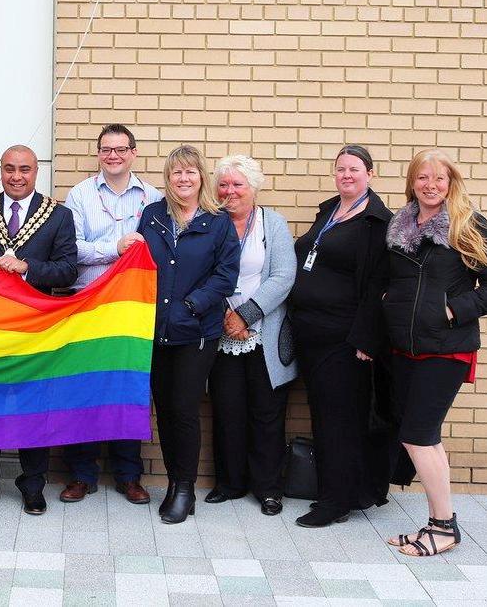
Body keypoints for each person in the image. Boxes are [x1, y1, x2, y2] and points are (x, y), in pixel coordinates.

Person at [0, 145, 77, 515]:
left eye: (24, 169)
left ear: (36, 172)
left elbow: (68, 269)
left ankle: (32, 484)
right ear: (0, 169)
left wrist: (27, 268)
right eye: (9, 168)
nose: (16, 176)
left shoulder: (58, 215)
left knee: (32, 406)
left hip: (35, 326)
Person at [383, 149, 487, 556]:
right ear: (412, 182)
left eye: (439, 179)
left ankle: (444, 528)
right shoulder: (400, 224)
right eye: (422, 178)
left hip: (447, 347)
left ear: (451, 182)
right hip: (406, 346)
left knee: (416, 436)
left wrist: (454, 309)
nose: (430, 185)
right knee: (427, 438)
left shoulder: (467, 224)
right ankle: (438, 522)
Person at [288, 145, 392, 528]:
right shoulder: (329, 209)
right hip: (312, 333)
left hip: (345, 338)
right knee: (323, 413)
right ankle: (333, 489)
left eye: (354, 169)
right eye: (340, 169)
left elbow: (379, 287)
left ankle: (336, 502)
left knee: (340, 420)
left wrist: (366, 339)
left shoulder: (378, 222)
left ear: (370, 173)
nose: (346, 175)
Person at [59, 124, 162, 505]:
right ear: (98, 154)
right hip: (87, 303)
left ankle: (129, 476)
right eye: (106, 149)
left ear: (133, 152)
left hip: (131, 311)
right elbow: (73, 249)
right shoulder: (81, 194)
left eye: (121, 149)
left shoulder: (152, 197)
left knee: (127, 389)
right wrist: (115, 248)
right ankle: (81, 475)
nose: (113, 155)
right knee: (83, 389)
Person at [137, 145, 240, 524]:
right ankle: (174, 483)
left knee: (183, 409)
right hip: (155, 330)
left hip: (196, 332)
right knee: (164, 409)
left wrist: (193, 305)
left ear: (202, 178)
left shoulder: (218, 222)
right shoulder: (152, 216)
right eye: (177, 172)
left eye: (191, 172)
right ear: (169, 178)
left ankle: (184, 489)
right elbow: (140, 265)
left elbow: (226, 275)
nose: (183, 179)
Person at [207, 155, 296, 516]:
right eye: (224, 185)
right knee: (227, 410)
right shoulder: (210, 223)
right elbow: (201, 274)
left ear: (254, 187)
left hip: (266, 332)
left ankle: (268, 488)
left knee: (267, 413)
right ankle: (229, 483)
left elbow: (284, 276)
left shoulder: (272, 223)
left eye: (237, 184)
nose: (230, 191)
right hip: (221, 330)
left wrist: (246, 315)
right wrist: (226, 316)